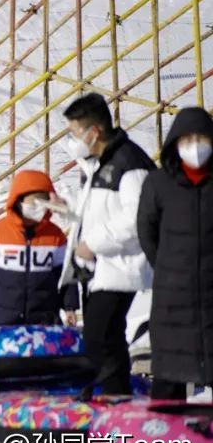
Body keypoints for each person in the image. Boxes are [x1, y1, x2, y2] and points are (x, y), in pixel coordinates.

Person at [61, 93, 155, 397]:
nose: (73, 140)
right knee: (104, 338)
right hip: (102, 268)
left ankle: (115, 400)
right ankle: (112, 399)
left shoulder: (129, 163)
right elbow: (100, 210)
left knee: (101, 337)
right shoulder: (103, 162)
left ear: (94, 131)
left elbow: (136, 217)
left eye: (75, 133)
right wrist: (64, 208)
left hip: (122, 267)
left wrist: (93, 243)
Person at [137, 107, 213, 400]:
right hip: (173, 296)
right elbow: (147, 231)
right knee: (170, 375)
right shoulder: (158, 183)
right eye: (187, 139)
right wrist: (169, 265)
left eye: (201, 138)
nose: (195, 146)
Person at [0, 170, 78, 327]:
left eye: (44, 202)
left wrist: (70, 307)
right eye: (34, 203)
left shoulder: (56, 236)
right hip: (3, 321)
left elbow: (66, 276)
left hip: (44, 321)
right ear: (18, 200)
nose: (39, 208)